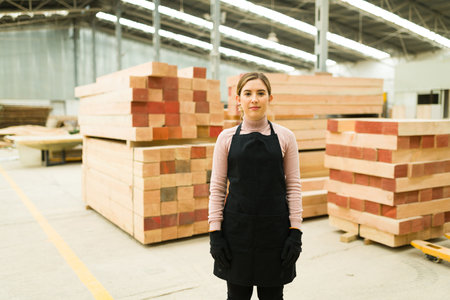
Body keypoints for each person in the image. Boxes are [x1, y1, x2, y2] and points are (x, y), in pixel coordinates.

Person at [208, 72, 303, 300]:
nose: (254, 99)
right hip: (236, 233)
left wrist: (295, 232)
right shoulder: (226, 138)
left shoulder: (285, 137)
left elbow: (294, 187)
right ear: (238, 99)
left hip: (275, 233)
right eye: (248, 93)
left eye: (261, 93)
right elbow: (218, 189)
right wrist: (215, 234)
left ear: (270, 98)